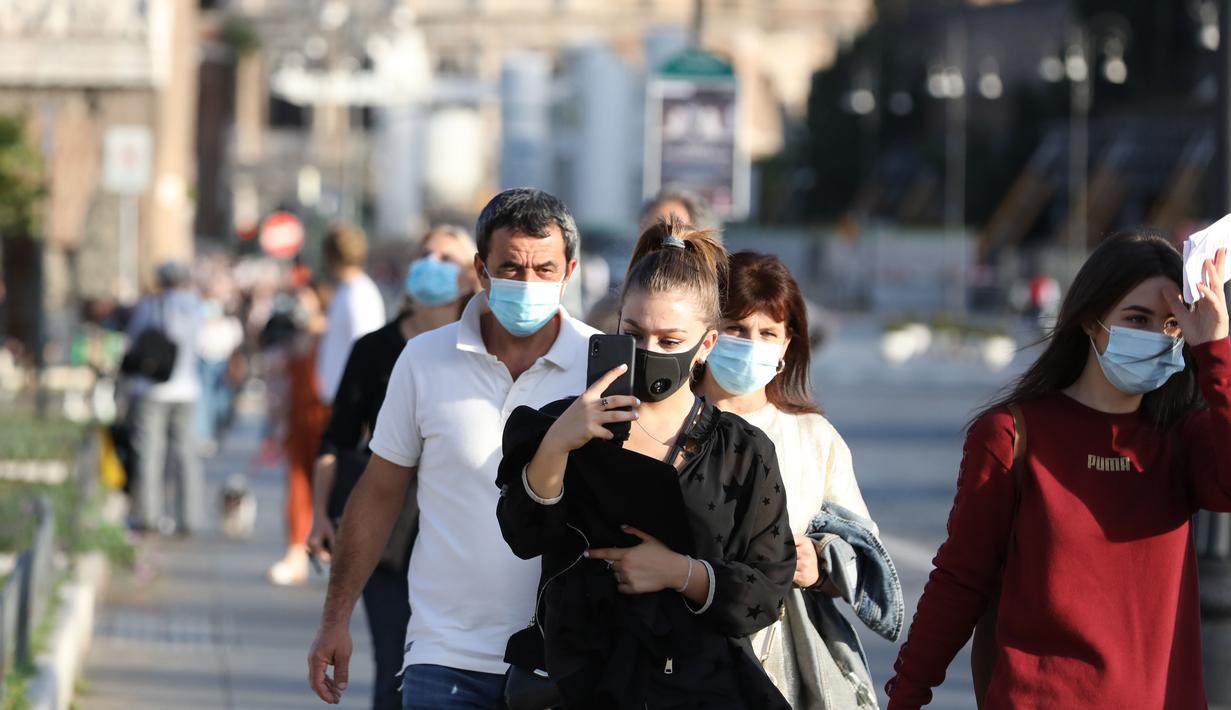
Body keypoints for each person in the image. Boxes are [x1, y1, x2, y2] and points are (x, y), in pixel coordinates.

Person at [886, 231, 1231, 709]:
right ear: (1091, 320)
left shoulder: (1182, 438)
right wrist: (905, 696)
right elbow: (960, 582)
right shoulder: (1011, 434)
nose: (1157, 338)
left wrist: (1216, 350)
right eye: (1138, 318)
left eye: (1173, 324)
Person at [307, 188, 597, 710]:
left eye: (544, 269)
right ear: (480, 272)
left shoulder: (600, 371)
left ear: (569, 271)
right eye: (509, 268)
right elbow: (377, 493)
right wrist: (335, 619)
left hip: (566, 661)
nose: (526, 283)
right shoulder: (423, 360)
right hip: (445, 655)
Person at [496, 220, 795, 709]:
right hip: (582, 685)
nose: (649, 352)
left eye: (670, 341)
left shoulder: (742, 451)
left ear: (707, 345)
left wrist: (680, 572)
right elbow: (524, 536)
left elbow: (766, 591)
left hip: (699, 689)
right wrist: (556, 446)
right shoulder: (561, 423)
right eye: (634, 334)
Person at [695, 251, 899, 707]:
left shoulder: (814, 437)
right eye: (736, 328)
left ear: (788, 345)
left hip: (779, 667)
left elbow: (863, 551)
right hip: (677, 656)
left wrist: (820, 564)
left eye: (767, 333)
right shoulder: (667, 419)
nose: (751, 344)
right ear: (706, 332)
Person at [306, 225, 479, 710]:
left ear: (472, 274)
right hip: (388, 534)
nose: (432, 264)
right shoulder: (374, 350)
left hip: (459, 533)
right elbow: (334, 442)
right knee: (396, 666)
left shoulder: (486, 352)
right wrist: (320, 515)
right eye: (424, 254)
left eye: (447, 257)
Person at [125, 261, 205, 535]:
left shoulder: (151, 305)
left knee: (150, 452)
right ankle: (189, 518)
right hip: (187, 388)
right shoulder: (196, 306)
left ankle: (149, 516)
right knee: (186, 454)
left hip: (152, 387)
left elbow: (134, 338)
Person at [267, 280, 332, 586]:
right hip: (298, 420)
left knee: (332, 490)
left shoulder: (330, 335)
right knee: (297, 486)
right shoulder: (298, 338)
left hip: (325, 420)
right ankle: (295, 553)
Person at [316, 224, 386, 406]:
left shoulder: (358, 293)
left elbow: (367, 350)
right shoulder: (347, 290)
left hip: (353, 401)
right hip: (341, 397)